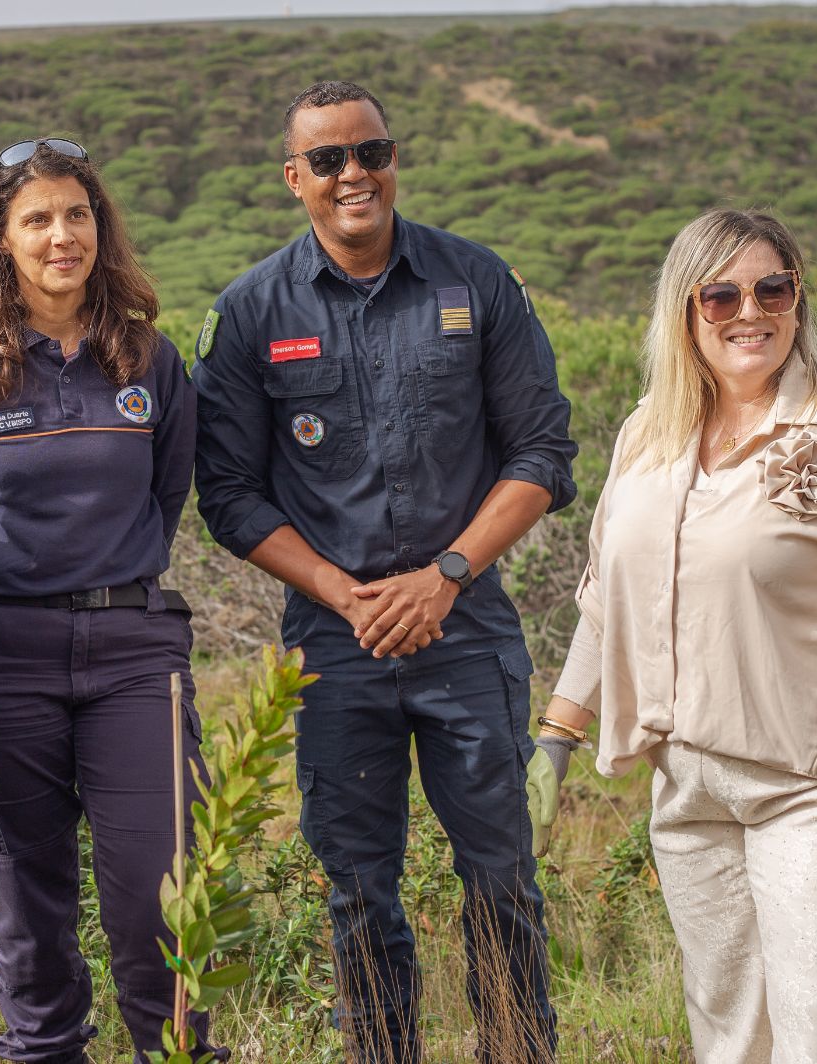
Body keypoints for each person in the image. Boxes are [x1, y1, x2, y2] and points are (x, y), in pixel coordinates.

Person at [191, 81, 577, 1063]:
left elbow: (541, 454)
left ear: (394, 159)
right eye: (329, 160)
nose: (354, 173)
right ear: (295, 178)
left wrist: (444, 574)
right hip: (336, 637)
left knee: (499, 870)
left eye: (372, 151)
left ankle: (516, 1048)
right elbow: (230, 493)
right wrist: (341, 592)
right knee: (358, 883)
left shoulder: (475, 281)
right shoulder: (249, 310)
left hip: (468, 624)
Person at [535, 207, 817, 1062]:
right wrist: (555, 739)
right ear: (684, 312)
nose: (749, 311)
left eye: (773, 287)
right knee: (731, 1038)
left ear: (798, 299)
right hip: (687, 790)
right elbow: (606, 604)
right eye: (719, 294)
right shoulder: (647, 437)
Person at [0, 137, 213, 1064]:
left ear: (101, 227)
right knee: (28, 907)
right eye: (37, 219)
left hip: (132, 651)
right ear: (2, 240)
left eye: (77, 215)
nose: (61, 235)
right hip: (2, 657)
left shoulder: (148, 359)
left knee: (158, 895)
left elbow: (167, 495)